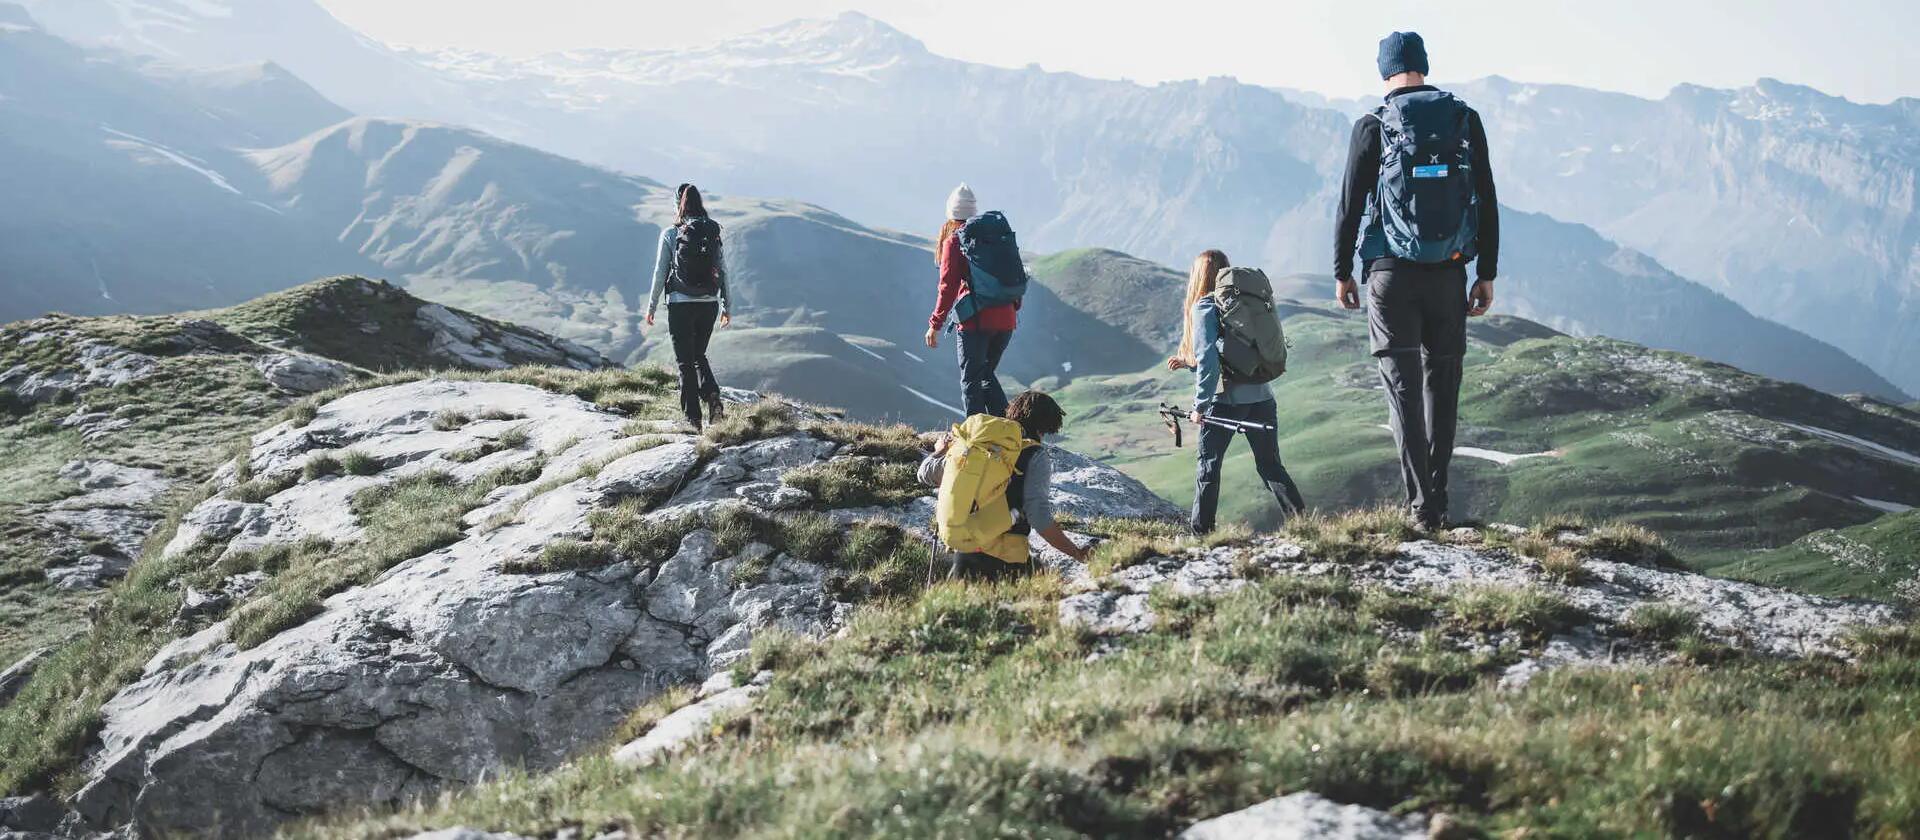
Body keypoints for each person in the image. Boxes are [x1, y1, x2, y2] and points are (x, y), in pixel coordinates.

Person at [1333, 31, 1500, 530]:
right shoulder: (1462, 120)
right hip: (1449, 272)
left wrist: (1342, 271)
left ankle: (1421, 508)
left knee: (1402, 391)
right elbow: (1487, 198)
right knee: (1442, 386)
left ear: (1384, 72)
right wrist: (1485, 272)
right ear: (1425, 66)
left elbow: (1349, 205)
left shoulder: (1373, 125)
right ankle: (1441, 499)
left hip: (1389, 276)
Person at [1167, 250, 1307, 534]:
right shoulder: (1241, 303)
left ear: (1198, 276)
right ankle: (1304, 524)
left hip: (1226, 403)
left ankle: (1201, 534)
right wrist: (1187, 363)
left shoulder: (1205, 305)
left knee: (1209, 467)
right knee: (1270, 466)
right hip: (1263, 397)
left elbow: (1209, 359)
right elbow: (1235, 354)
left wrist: (1199, 407)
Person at [918, 391, 1090, 580]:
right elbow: (1038, 515)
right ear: (1043, 428)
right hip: (1005, 560)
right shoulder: (1035, 455)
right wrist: (1076, 552)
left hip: (963, 553)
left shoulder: (978, 449)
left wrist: (938, 451)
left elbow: (924, 474)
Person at [925, 183, 1019, 418]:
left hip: (976, 322)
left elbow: (947, 287)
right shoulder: (997, 237)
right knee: (985, 374)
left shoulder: (955, 241)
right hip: (1006, 319)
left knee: (971, 381)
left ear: (951, 213)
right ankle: (1008, 428)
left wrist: (935, 324)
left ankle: (977, 436)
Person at [646, 183, 733, 430]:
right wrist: (727, 306)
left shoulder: (671, 234)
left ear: (677, 205)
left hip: (681, 304)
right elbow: (723, 271)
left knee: (685, 362)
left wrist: (651, 306)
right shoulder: (712, 232)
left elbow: (660, 272)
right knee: (698, 355)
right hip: (709, 305)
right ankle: (712, 396)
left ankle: (693, 421)